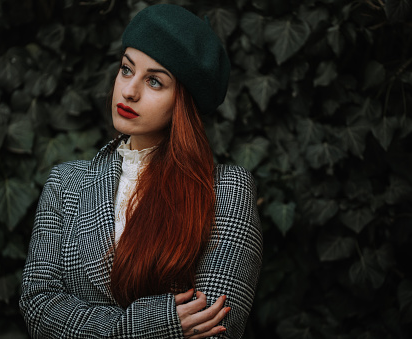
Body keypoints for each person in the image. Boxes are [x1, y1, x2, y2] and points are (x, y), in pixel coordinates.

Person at [20, 4, 262, 338]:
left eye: (154, 81)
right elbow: (38, 308)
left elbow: (215, 329)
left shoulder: (225, 189)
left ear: (184, 100)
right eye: (126, 69)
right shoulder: (66, 183)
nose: (129, 91)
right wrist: (156, 324)